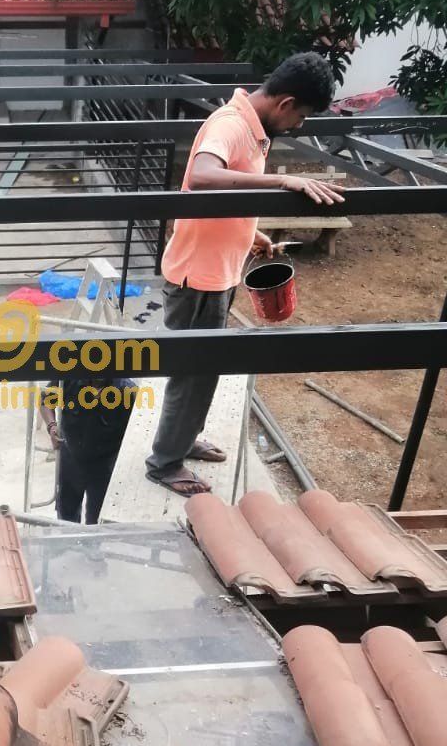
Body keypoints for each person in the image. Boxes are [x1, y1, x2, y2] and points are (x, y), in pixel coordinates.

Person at [146, 52, 345, 497]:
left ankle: (183, 439)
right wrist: (284, 182)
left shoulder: (255, 131)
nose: (297, 126)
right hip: (197, 276)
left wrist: (250, 232)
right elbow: (202, 176)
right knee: (192, 374)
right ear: (285, 102)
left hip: (219, 270)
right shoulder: (231, 124)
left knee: (206, 369)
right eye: (300, 117)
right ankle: (164, 462)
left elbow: (224, 193)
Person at [41, 374, 136, 523]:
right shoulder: (69, 378)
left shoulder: (127, 391)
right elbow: (45, 401)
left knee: (96, 521)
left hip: (105, 467)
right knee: (66, 517)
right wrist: (51, 426)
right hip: (71, 461)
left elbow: (135, 432)